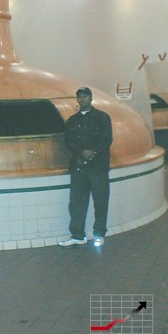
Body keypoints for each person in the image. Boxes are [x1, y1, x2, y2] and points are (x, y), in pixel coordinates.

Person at [60, 86, 113, 247]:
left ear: (91, 98)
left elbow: (106, 139)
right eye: (79, 97)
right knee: (76, 202)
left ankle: (99, 234)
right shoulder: (72, 121)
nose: (82, 99)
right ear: (77, 100)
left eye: (85, 96)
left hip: (98, 167)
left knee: (100, 201)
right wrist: (82, 152)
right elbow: (69, 141)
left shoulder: (103, 118)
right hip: (79, 167)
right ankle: (77, 235)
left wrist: (92, 151)